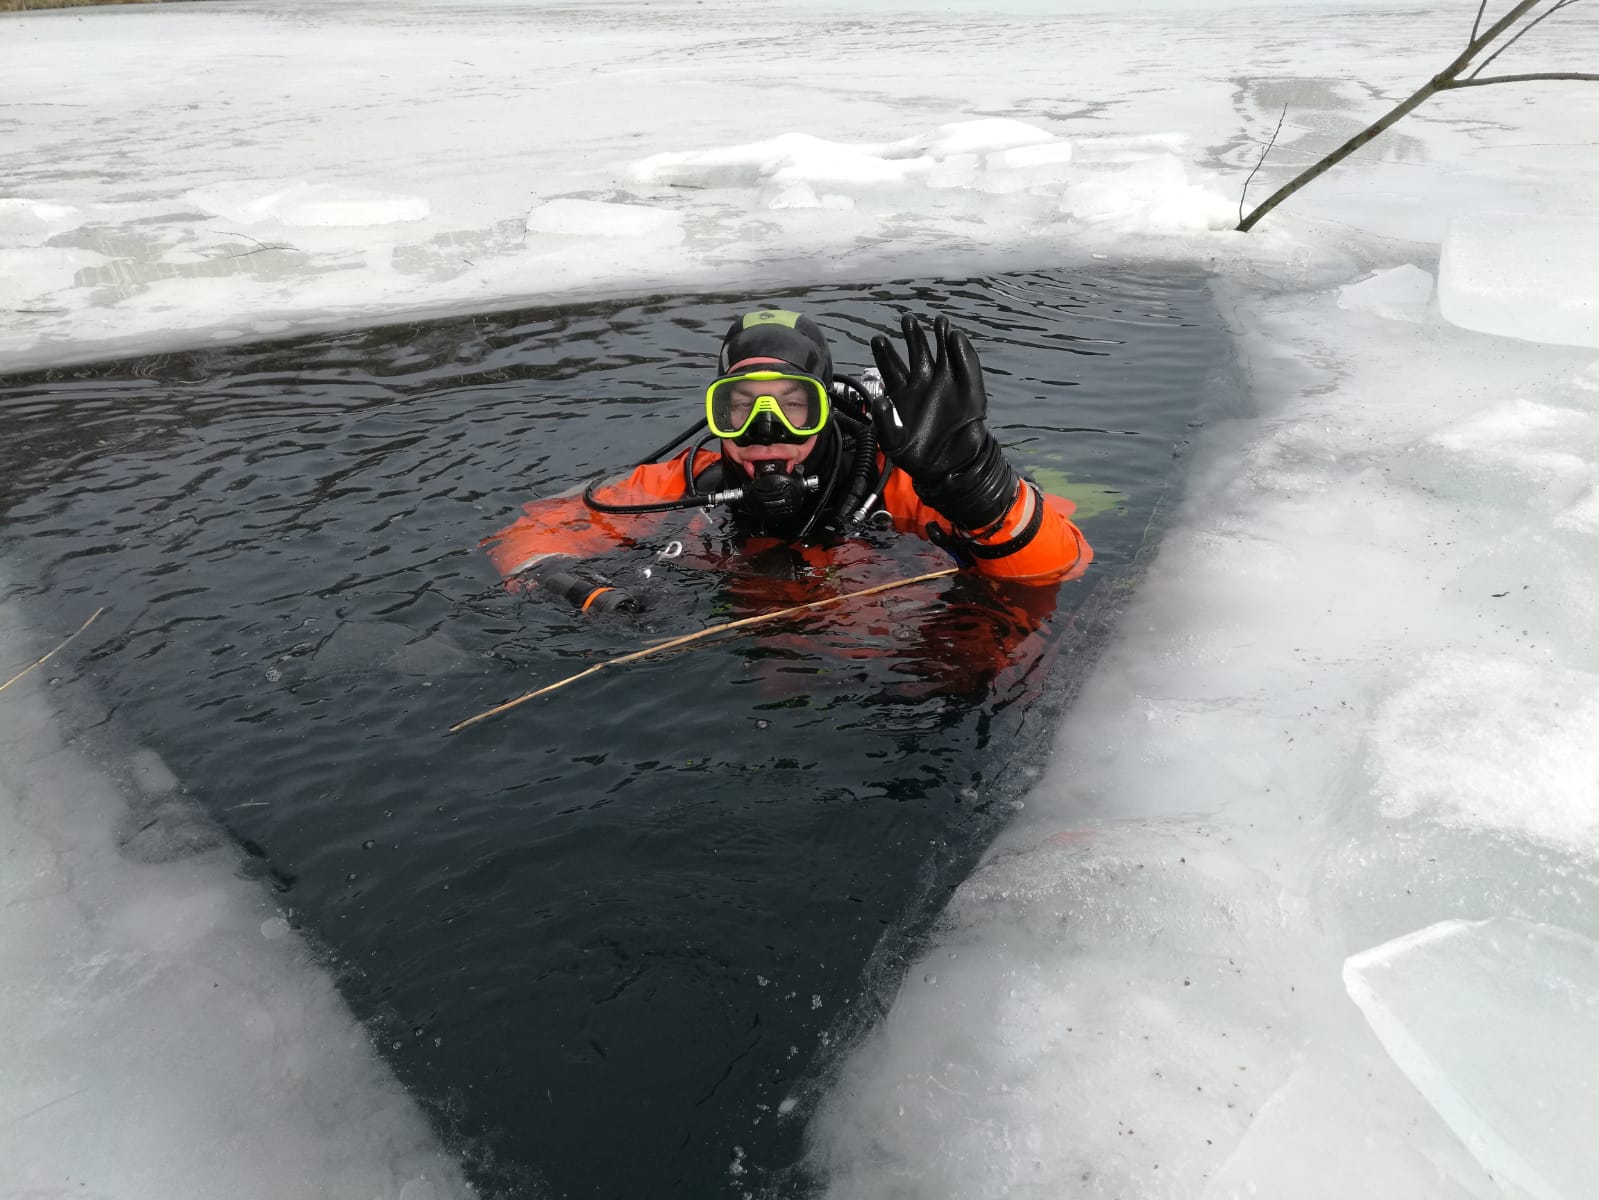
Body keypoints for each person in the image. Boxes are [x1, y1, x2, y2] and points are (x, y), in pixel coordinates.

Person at [484, 309, 1092, 616]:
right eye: (738, 407)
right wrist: (578, 588)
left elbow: (1061, 566)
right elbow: (537, 530)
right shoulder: (696, 478)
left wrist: (977, 487)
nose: (764, 430)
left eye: (793, 405)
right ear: (713, 412)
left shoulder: (897, 473)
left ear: (826, 407)